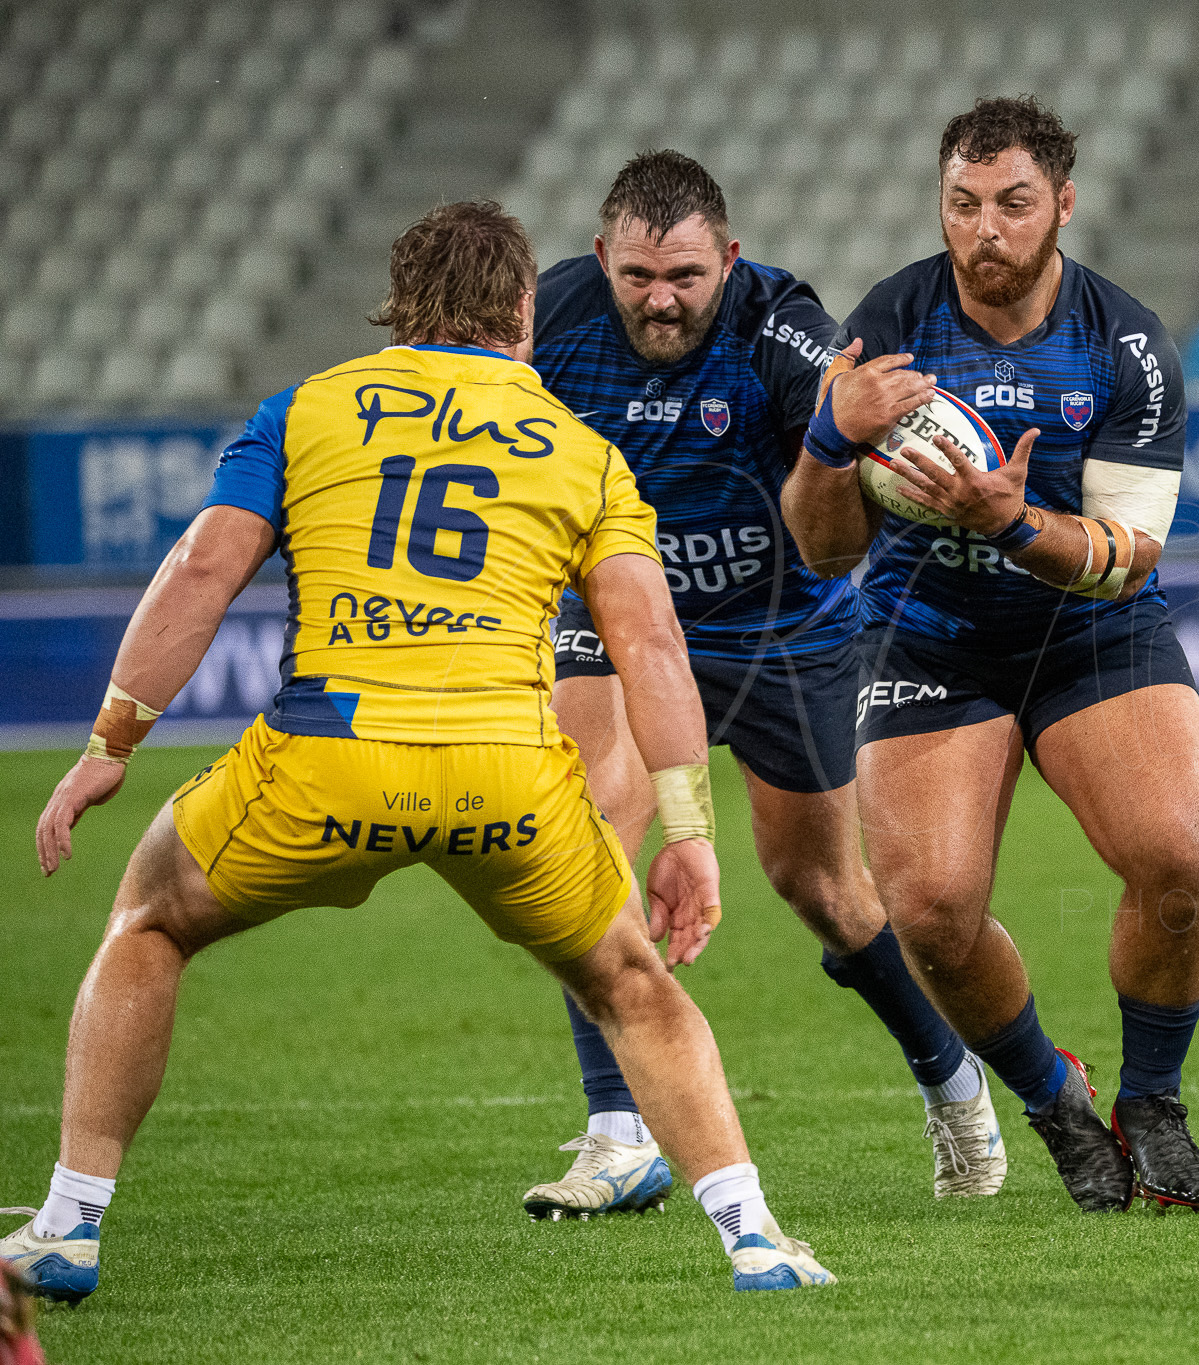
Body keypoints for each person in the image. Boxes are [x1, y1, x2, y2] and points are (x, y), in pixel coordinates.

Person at [1, 203, 833, 1298]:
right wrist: (685, 833)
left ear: (398, 300)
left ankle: (67, 1225)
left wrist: (113, 741)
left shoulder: (306, 410)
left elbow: (204, 571)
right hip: (508, 778)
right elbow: (650, 647)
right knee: (634, 984)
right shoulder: (583, 453)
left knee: (150, 922)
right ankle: (755, 1238)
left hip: (327, 760)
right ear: (524, 313)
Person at [517, 151, 1005, 1218]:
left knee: (825, 893)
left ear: (727, 260)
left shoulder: (780, 323)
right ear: (601, 259)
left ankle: (951, 1081)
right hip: (615, 620)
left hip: (783, 632)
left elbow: (835, 432)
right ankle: (616, 1132)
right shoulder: (545, 318)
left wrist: (863, 423)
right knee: (589, 825)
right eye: (639, 275)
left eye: (685, 276)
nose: (660, 299)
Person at [782, 98, 1199, 1212]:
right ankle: (1051, 1097)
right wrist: (832, 435)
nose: (985, 230)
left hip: (1089, 630)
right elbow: (824, 549)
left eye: (1013, 204)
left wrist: (1014, 527)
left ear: (1062, 206)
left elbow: (1127, 558)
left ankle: (1153, 1104)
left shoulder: (1127, 345)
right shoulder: (889, 323)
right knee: (926, 910)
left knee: (1174, 859)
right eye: (963, 205)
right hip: (930, 634)